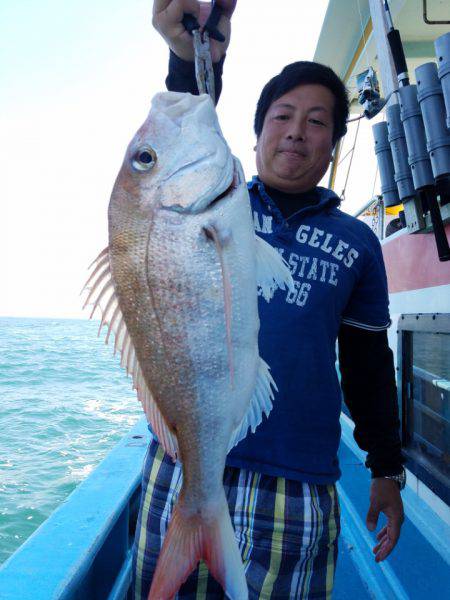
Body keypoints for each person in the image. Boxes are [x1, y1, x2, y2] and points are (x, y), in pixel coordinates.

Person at [132, 2, 406, 598]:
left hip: (298, 484)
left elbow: (366, 365)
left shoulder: (358, 241)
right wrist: (190, 54)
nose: (296, 132)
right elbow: (183, 133)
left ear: (334, 143)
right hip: (188, 468)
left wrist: (386, 465)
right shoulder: (218, 203)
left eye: (316, 122)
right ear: (255, 133)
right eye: (282, 115)